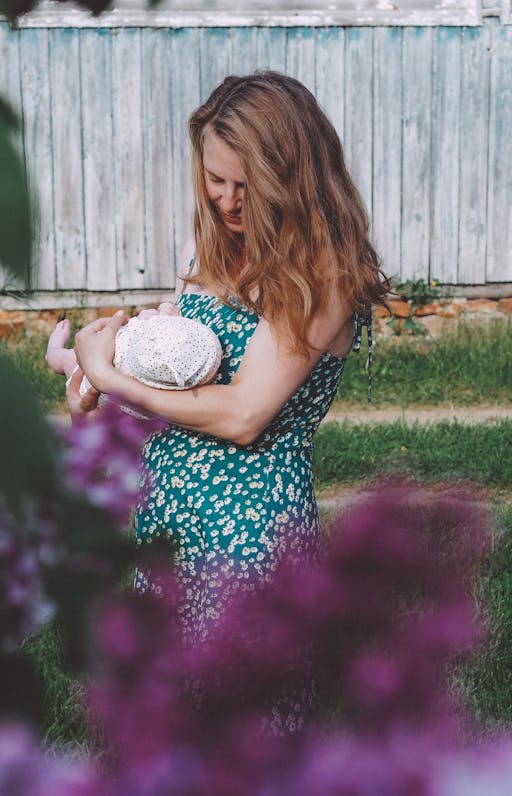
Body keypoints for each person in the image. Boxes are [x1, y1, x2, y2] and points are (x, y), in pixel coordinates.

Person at [70, 72, 389, 652]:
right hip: (168, 513)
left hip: (248, 535)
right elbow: (183, 388)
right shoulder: (208, 244)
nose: (227, 200)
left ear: (291, 179)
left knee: (246, 722)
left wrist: (108, 375)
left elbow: (243, 414)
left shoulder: (324, 271)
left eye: (247, 185)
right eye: (214, 179)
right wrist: (97, 387)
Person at [47, 304, 223, 398]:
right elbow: (148, 320)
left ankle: (54, 352)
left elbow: (146, 317)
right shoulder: (164, 344)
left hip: (98, 375)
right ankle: (54, 353)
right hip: (110, 349)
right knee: (71, 357)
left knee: (68, 360)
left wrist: (161, 311)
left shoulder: (152, 366)